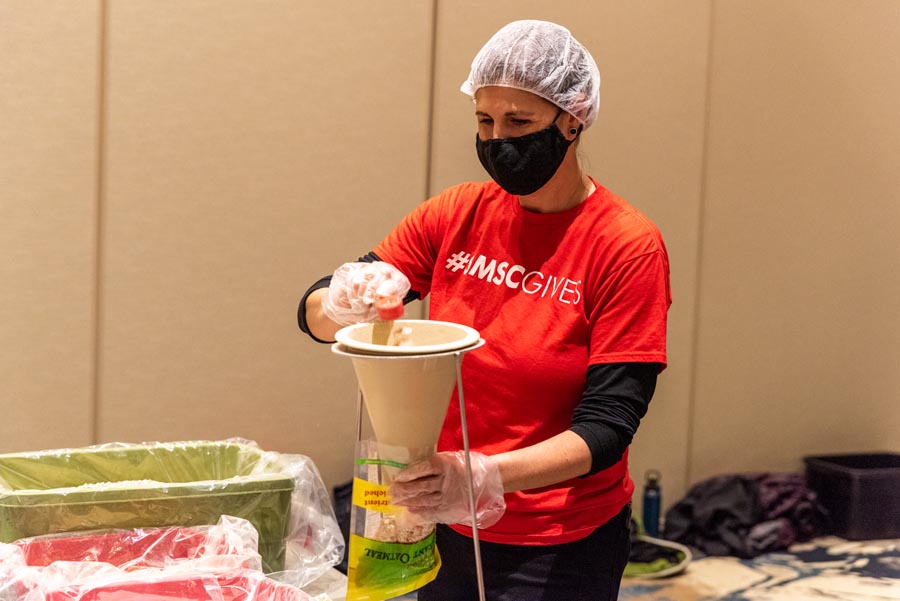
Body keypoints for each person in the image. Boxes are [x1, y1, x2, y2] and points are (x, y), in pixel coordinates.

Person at [298, 19, 671, 601]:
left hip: (557, 540)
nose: (498, 140)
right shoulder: (456, 214)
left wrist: (482, 476)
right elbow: (315, 313)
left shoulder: (625, 245)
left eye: (518, 122)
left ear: (572, 118)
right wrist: (345, 300)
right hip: (445, 520)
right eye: (484, 120)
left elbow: (608, 427)